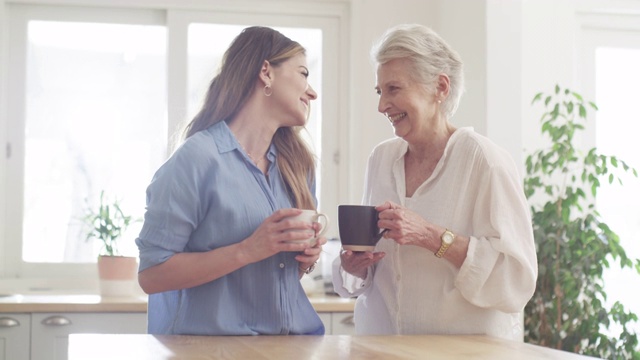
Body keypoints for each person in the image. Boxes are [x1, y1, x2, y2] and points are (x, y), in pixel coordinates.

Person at [332, 24, 538, 341]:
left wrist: (431, 236)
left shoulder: (486, 162)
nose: (381, 105)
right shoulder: (381, 159)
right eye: (379, 91)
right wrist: (357, 267)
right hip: (381, 351)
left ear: (440, 88)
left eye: (394, 89)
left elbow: (516, 281)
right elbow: (374, 276)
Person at [135, 26, 326, 336]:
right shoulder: (197, 160)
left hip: (290, 346)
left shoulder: (298, 166)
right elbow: (152, 276)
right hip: (212, 351)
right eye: (303, 73)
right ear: (266, 72)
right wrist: (248, 249)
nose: (312, 91)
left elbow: (278, 276)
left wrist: (304, 258)